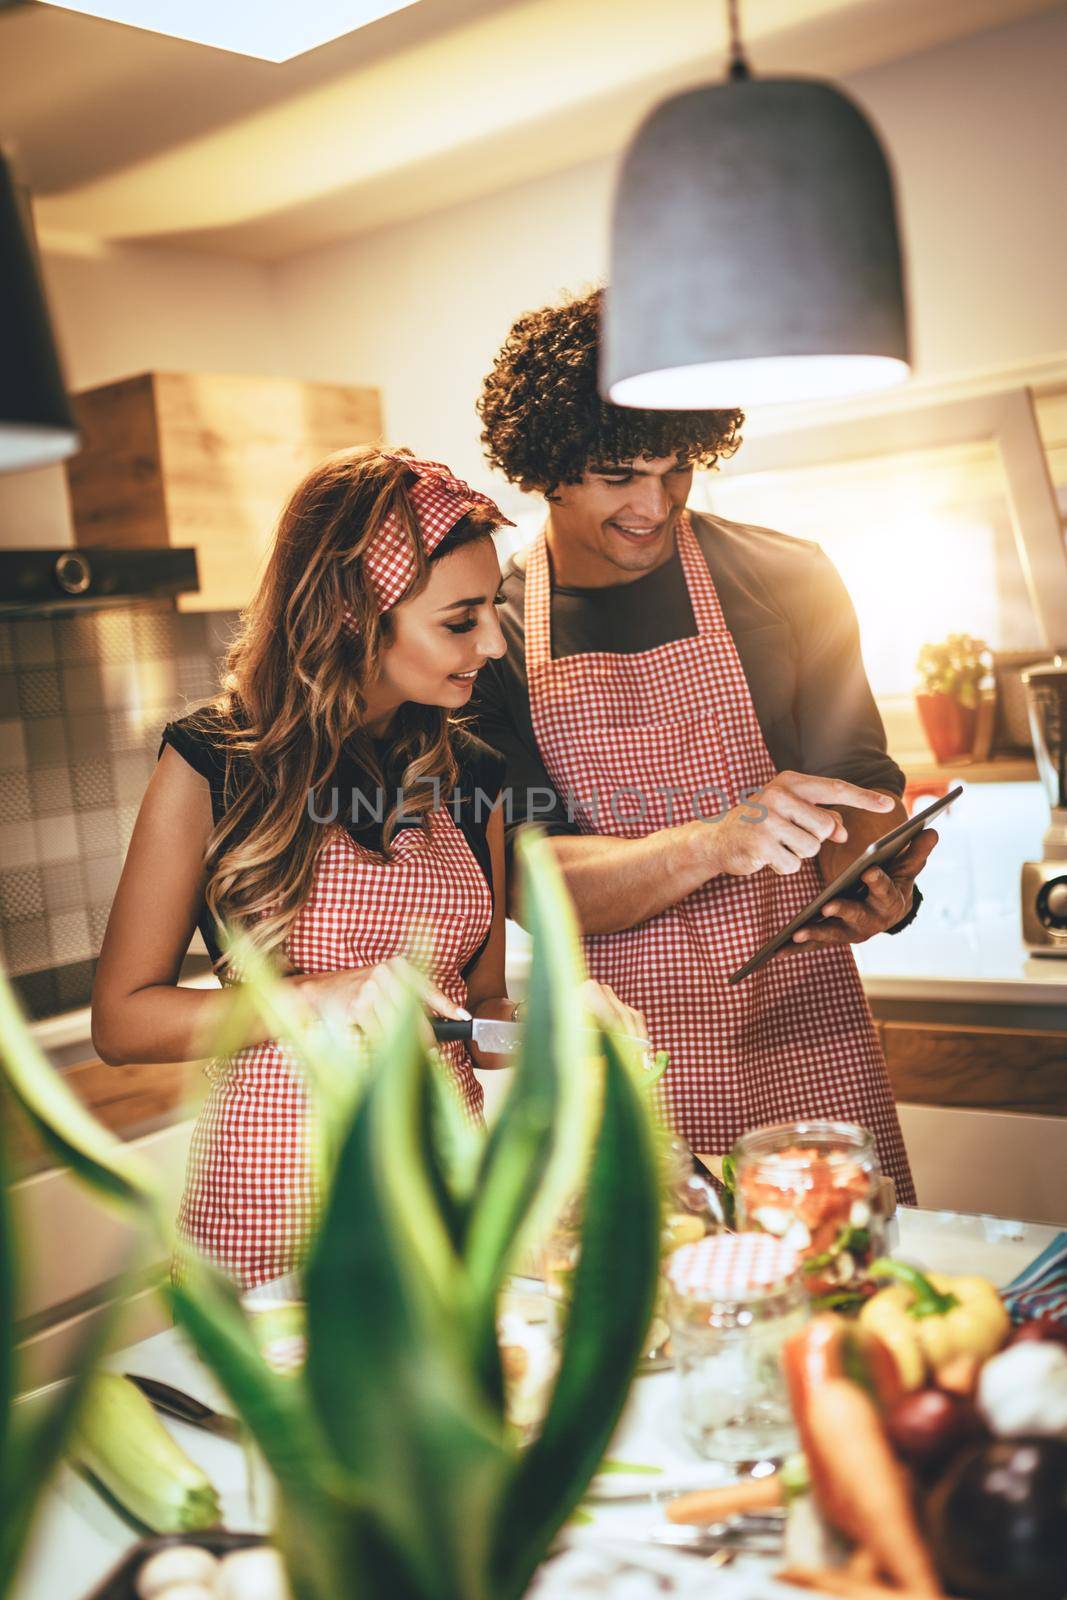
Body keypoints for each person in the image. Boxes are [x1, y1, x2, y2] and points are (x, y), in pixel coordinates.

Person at [91, 446, 644, 1288]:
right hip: (273, 1217)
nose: (493, 643)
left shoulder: (473, 776)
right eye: (459, 621)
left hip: (445, 1207)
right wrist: (318, 996)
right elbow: (122, 1022)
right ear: (354, 615)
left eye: (492, 607)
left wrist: (551, 1027)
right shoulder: (215, 763)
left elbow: (477, 1008)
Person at [471, 290, 938, 1202]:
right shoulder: (491, 637)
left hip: (807, 1034)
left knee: (847, 1307)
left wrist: (883, 888)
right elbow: (530, 885)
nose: (654, 504)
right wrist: (719, 839)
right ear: (546, 465)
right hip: (622, 1059)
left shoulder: (789, 576)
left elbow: (860, 798)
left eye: (677, 468)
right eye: (617, 475)